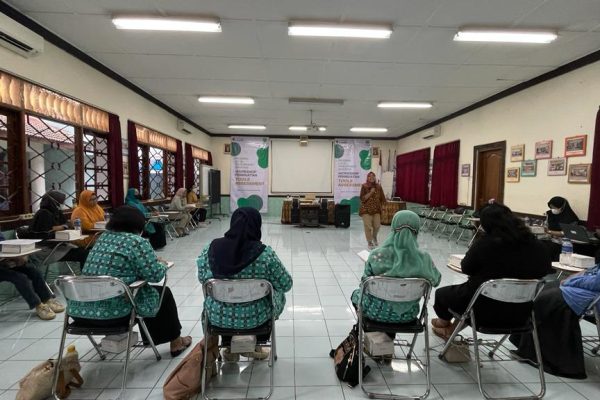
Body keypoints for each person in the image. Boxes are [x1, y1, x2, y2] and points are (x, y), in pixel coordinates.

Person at [67, 206, 192, 357]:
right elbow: (155, 275)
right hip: (115, 314)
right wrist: (161, 264)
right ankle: (176, 342)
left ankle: (155, 339)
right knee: (161, 294)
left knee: (144, 293)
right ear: (138, 224)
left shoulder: (102, 238)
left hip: (80, 313)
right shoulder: (136, 242)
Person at [432, 203, 552, 339]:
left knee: (444, 294)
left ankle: (443, 323)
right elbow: (545, 270)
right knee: (473, 297)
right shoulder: (537, 245)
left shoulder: (485, 244)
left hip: (483, 311)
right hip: (521, 313)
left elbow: (466, 268)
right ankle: (450, 329)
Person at [197, 207, 293, 360]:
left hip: (218, 318)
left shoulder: (210, 249)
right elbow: (286, 284)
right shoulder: (265, 254)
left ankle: (230, 347)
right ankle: (254, 344)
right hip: (256, 319)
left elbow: (202, 278)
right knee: (277, 293)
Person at [351, 210, 441, 324]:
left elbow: (364, 283)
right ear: (417, 230)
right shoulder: (424, 258)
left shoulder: (376, 255)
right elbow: (436, 281)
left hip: (374, 312)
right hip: (408, 315)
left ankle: (369, 332)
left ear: (393, 228)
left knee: (355, 294)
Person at [509, 266, 600, 379]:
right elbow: (592, 270)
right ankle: (523, 343)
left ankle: (534, 353)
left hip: (588, 296)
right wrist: (575, 277)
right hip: (585, 289)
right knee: (544, 288)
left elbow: (595, 282)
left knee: (544, 299)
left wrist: (570, 281)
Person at [0, 232, 64, 320]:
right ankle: (38, 305)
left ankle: (46, 299)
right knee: (20, 278)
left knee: (33, 271)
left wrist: (15, 257)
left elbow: (3, 245)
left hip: (2, 263)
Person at [27, 190, 89, 266]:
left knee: (85, 251)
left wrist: (62, 227)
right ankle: (85, 273)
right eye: (61, 201)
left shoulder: (56, 212)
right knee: (84, 254)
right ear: (54, 202)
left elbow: (67, 224)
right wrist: (62, 228)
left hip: (57, 246)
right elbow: (45, 233)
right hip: (45, 249)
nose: (63, 203)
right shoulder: (43, 213)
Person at [359, 172, 386, 249]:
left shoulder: (378, 187)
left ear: (375, 177)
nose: (371, 177)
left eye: (373, 176)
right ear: (367, 178)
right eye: (369, 176)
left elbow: (383, 199)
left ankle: (374, 237)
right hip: (366, 210)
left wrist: (383, 207)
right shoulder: (364, 186)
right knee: (368, 226)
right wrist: (371, 192)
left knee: (377, 226)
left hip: (376, 210)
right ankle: (369, 242)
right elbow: (362, 199)